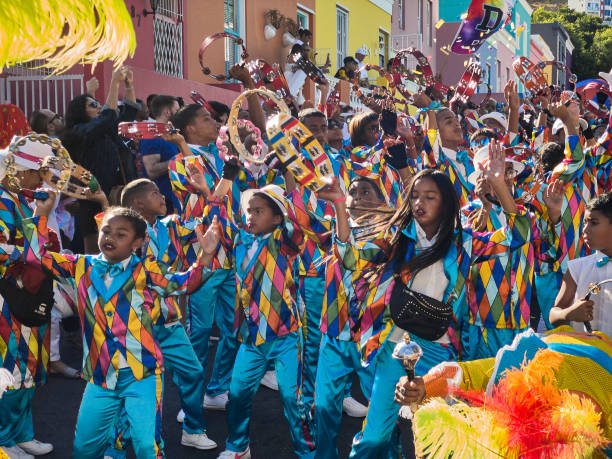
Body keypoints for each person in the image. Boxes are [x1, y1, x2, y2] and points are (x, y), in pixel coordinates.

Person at [330, 142, 532, 457]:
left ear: (446, 203)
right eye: (414, 195)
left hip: (439, 353)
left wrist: (499, 185)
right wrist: (341, 207)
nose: (419, 202)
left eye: (429, 196)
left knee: (440, 442)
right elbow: (350, 258)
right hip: (393, 350)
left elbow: (518, 235)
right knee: (373, 440)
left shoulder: (463, 243)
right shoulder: (395, 239)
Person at [12, 197, 220, 459]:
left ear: (137, 243)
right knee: (84, 448)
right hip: (100, 377)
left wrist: (207, 255)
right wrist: (40, 215)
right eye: (106, 231)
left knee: (147, 447)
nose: (110, 237)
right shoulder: (81, 266)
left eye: (121, 234)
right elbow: (36, 259)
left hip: (142, 374)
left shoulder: (146, 271)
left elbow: (185, 283)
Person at [209, 180, 316, 459]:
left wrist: (288, 169)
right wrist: (224, 179)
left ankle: (306, 452)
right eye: (249, 211)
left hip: (287, 337)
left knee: (294, 400)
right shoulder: (240, 241)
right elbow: (218, 211)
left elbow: (299, 219)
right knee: (238, 395)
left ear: (278, 217)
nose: (250, 216)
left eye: (259, 212)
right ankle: (237, 447)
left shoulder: (284, 241)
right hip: (252, 337)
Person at [395, 326, 612, 457]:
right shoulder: (520, 371)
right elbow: (465, 374)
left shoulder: (579, 428)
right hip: (565, 346)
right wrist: (421, 387)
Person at [0, 134, 57, 459]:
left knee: (30, 365)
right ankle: (4, 439)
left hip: (29, 292)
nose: (45, 178)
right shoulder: (4, 199)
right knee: (12, 367)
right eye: (40, 171)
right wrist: (37, 223)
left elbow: (41, 245)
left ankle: (22, 433)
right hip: (8, 297)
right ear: (18, 170)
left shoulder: (21, 198)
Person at [61, 66, 138, 253]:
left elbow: (127, 116)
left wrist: (128, 87)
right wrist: (113, 83)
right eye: (92, 105)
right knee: (95, 248)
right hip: (91, 197)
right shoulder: (78, 132)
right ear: (80, 111)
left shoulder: (103, 131)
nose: (98, 107)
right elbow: (106, 117)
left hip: (114, 193)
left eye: (97, 104)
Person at [550, 192, 612, 337]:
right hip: (585, 356)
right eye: (585, 222)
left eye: (594, 223)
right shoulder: (577, 268)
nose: (585, 230)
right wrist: (569, 313)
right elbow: (553, 315)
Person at [140, 95, 181, 213]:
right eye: (177, 110)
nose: (179, 114)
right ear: (167, 112)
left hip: (174, 200)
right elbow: (151, 170)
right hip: (162, 203)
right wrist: (178, 160)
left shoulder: (170, 134)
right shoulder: (152, 136)